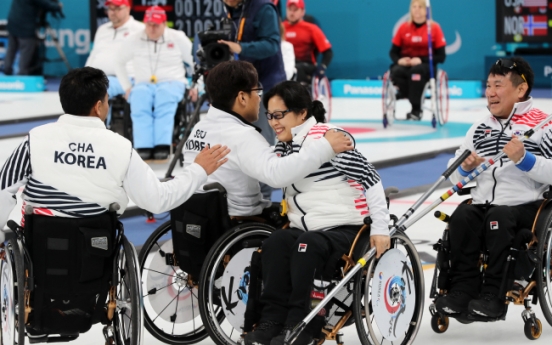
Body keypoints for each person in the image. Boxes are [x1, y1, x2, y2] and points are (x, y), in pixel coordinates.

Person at [0, 67, 229, 239]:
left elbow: (3, 189)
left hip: (39, 247)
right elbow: (158, 200)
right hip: (95, 247)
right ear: (99, 107)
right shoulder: (119, 147)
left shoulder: (35, 138)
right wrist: (198, 170)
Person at [244, 80, 391, 345]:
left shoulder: (329, 138)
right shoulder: (283, 145)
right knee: (276, 242)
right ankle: (273, 320)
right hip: (308, 229)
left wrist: (381, 228)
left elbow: (371, 178)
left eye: (280, 115)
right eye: (270, 115)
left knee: (306, 245)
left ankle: (304, 325)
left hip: (346, 227)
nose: (274, 122)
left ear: (302, 113)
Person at [435, 57, 552, 319]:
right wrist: (464, 167)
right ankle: (462, 291)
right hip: (483, 205)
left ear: (520, 90)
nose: (490, 93)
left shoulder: (543, 125)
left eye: (498, 85)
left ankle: (493, 297)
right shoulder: (480, 128)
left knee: (499, 217)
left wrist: (525, 160)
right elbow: (454, 175)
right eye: (488, 86)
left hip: (524, 206)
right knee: (463, 216)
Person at [182, 60, 352, 220]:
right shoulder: (243, 135)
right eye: (257, 92)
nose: (259, 99)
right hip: (239, 220)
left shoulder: (199, 128)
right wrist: (325, 147)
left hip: (198, 217)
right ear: (242, 98)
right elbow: (276, 175)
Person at [220, 0, 286, 200]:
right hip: (242, 83)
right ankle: (243, 195)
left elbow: (271, 44)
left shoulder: (263, 8)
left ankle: (263, 199)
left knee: (261, 141)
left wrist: (239, 47)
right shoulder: (230, 10)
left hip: (265, 83)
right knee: (239, 140)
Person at [114, 6, 194, 161]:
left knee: (164, 98)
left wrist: (196, 86)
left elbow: (196, 62)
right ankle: (143, 146)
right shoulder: (134, 38)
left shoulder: (178, 37)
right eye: (149, 24)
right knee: (138, 97)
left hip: (173, 82)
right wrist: (127, 87)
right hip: (143, 83)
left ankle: (162, 145)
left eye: (156, 25)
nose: (151, 28)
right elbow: (119, 61)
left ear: (164, 23)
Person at [389, 0, 446, 121]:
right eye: (414, 7)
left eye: (420, 7)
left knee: (416, 73)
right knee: (396, 71)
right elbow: (393, 52)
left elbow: (441, 57)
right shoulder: (404, 28)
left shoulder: (434, 28)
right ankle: (406, 94)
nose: (416, 9)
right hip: (405, 64)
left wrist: (420, 60)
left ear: (426, 10)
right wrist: (400, 61)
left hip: (424, 65)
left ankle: (416, 108)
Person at [86, 0, 144, 99]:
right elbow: (93, 55)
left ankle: (97, 114)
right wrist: (84, 74)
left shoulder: (140, 30)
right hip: (98, 77)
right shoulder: (102, 30)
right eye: (110, 8)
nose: (113, 12)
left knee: (98, 89)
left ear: (128, 9)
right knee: (76, 87)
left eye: (117, 8)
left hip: (125, 78)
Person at [4, 0, 63, 75]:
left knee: (11, 49)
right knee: (26, 50)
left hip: (13, 24)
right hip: (25, 28)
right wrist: (58, 6)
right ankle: (22, 75)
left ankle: (7, 71)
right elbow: (45, 3)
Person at [283, 0, 333, 86]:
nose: (292, 13)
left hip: (305, 65)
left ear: (302, 12)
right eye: (289, 9)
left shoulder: (312, 29)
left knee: (295, 69)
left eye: (295, 10)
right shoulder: (280, 27)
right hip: (285, 64)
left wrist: (322, 67)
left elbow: (328, 52)